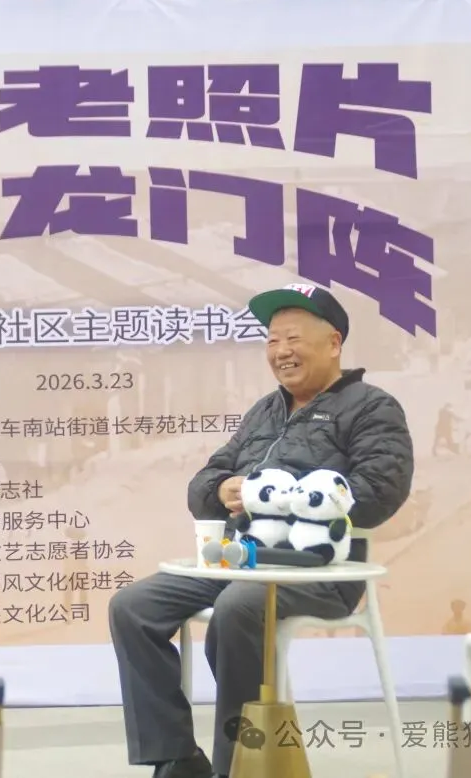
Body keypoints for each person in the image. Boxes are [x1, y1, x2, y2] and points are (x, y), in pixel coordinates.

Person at [108, 284, 415, 778]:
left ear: (334, 343)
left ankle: (239, 764)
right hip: (240, 559)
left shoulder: (371, 407)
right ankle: (177, 758)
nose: (280, 351)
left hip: (320, 571)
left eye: (293, 338)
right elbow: (202, 486)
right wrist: (223, 488)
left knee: (239, 608)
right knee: (133, 607)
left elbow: (380, 493)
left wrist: (287, 497)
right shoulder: (264, 412)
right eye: (272, 341)